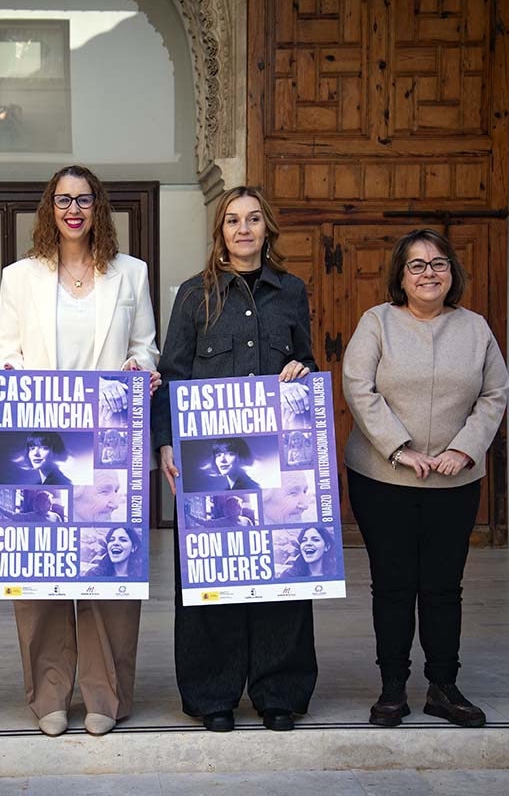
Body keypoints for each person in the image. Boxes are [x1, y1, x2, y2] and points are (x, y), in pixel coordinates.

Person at [0, 164, 161, 737]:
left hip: (110, 445)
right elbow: (4, 353)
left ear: (98, 207)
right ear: (49, 208)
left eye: (84, 199)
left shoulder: (130, 274)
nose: (73, 209)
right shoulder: (20, 277)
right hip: (41, 439)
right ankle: (50, 694)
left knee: (109, 568)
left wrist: (142, 369)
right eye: (63, 200)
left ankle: (107, 695)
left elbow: (145, 350)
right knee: (40, 573)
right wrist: (2, 376)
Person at [153, 185, 318, 733]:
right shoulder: (193, 296)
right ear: (220, 232)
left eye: (252, 219)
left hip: (278, 463)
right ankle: (212, 694)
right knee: (211, 572)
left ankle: (278, 692)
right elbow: (172, 375)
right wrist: (167, 442)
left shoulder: (291, 292)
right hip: (210, 461)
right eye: (232, 221)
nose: (243, 229)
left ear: (267, 227)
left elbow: (308, 364)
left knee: (280, 571)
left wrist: (301, 372)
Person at [342, 228, 508, 730]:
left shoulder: (475, 328)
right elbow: (358, 386)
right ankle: (392, 688)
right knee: (392, 585)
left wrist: (463, 449)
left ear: (452, 273)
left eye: (438, 264)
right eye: (416, 265)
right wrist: (399, 447)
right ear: (401, 275)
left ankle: (443, 685)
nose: (428, 273)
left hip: (453, 481)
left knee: (442, 586)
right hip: (382, 477)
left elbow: (494, 393)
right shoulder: (377, 323)